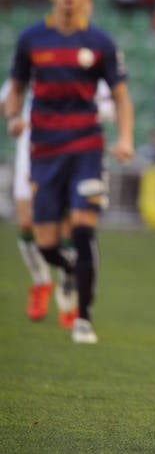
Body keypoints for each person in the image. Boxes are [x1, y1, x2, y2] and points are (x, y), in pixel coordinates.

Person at [5, 0, 134, 344]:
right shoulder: (31, 40)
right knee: (45, 245)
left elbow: (122, 99)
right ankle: (72, 270)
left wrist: (125, 138)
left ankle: (83, 318)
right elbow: (15, 86)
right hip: (43, 148)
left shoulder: (100, 43)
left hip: (86, 146)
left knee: (82, 228)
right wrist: (14, 115)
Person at [2, 76, 115, 328]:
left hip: (74, 146)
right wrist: (12, 117)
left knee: (69, 226)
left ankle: (68, 287)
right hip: (32, 146)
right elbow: (10, 95)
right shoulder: (34, 51)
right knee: (26, 223)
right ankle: (41, 281)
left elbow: (111, 105)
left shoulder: (90, 61)